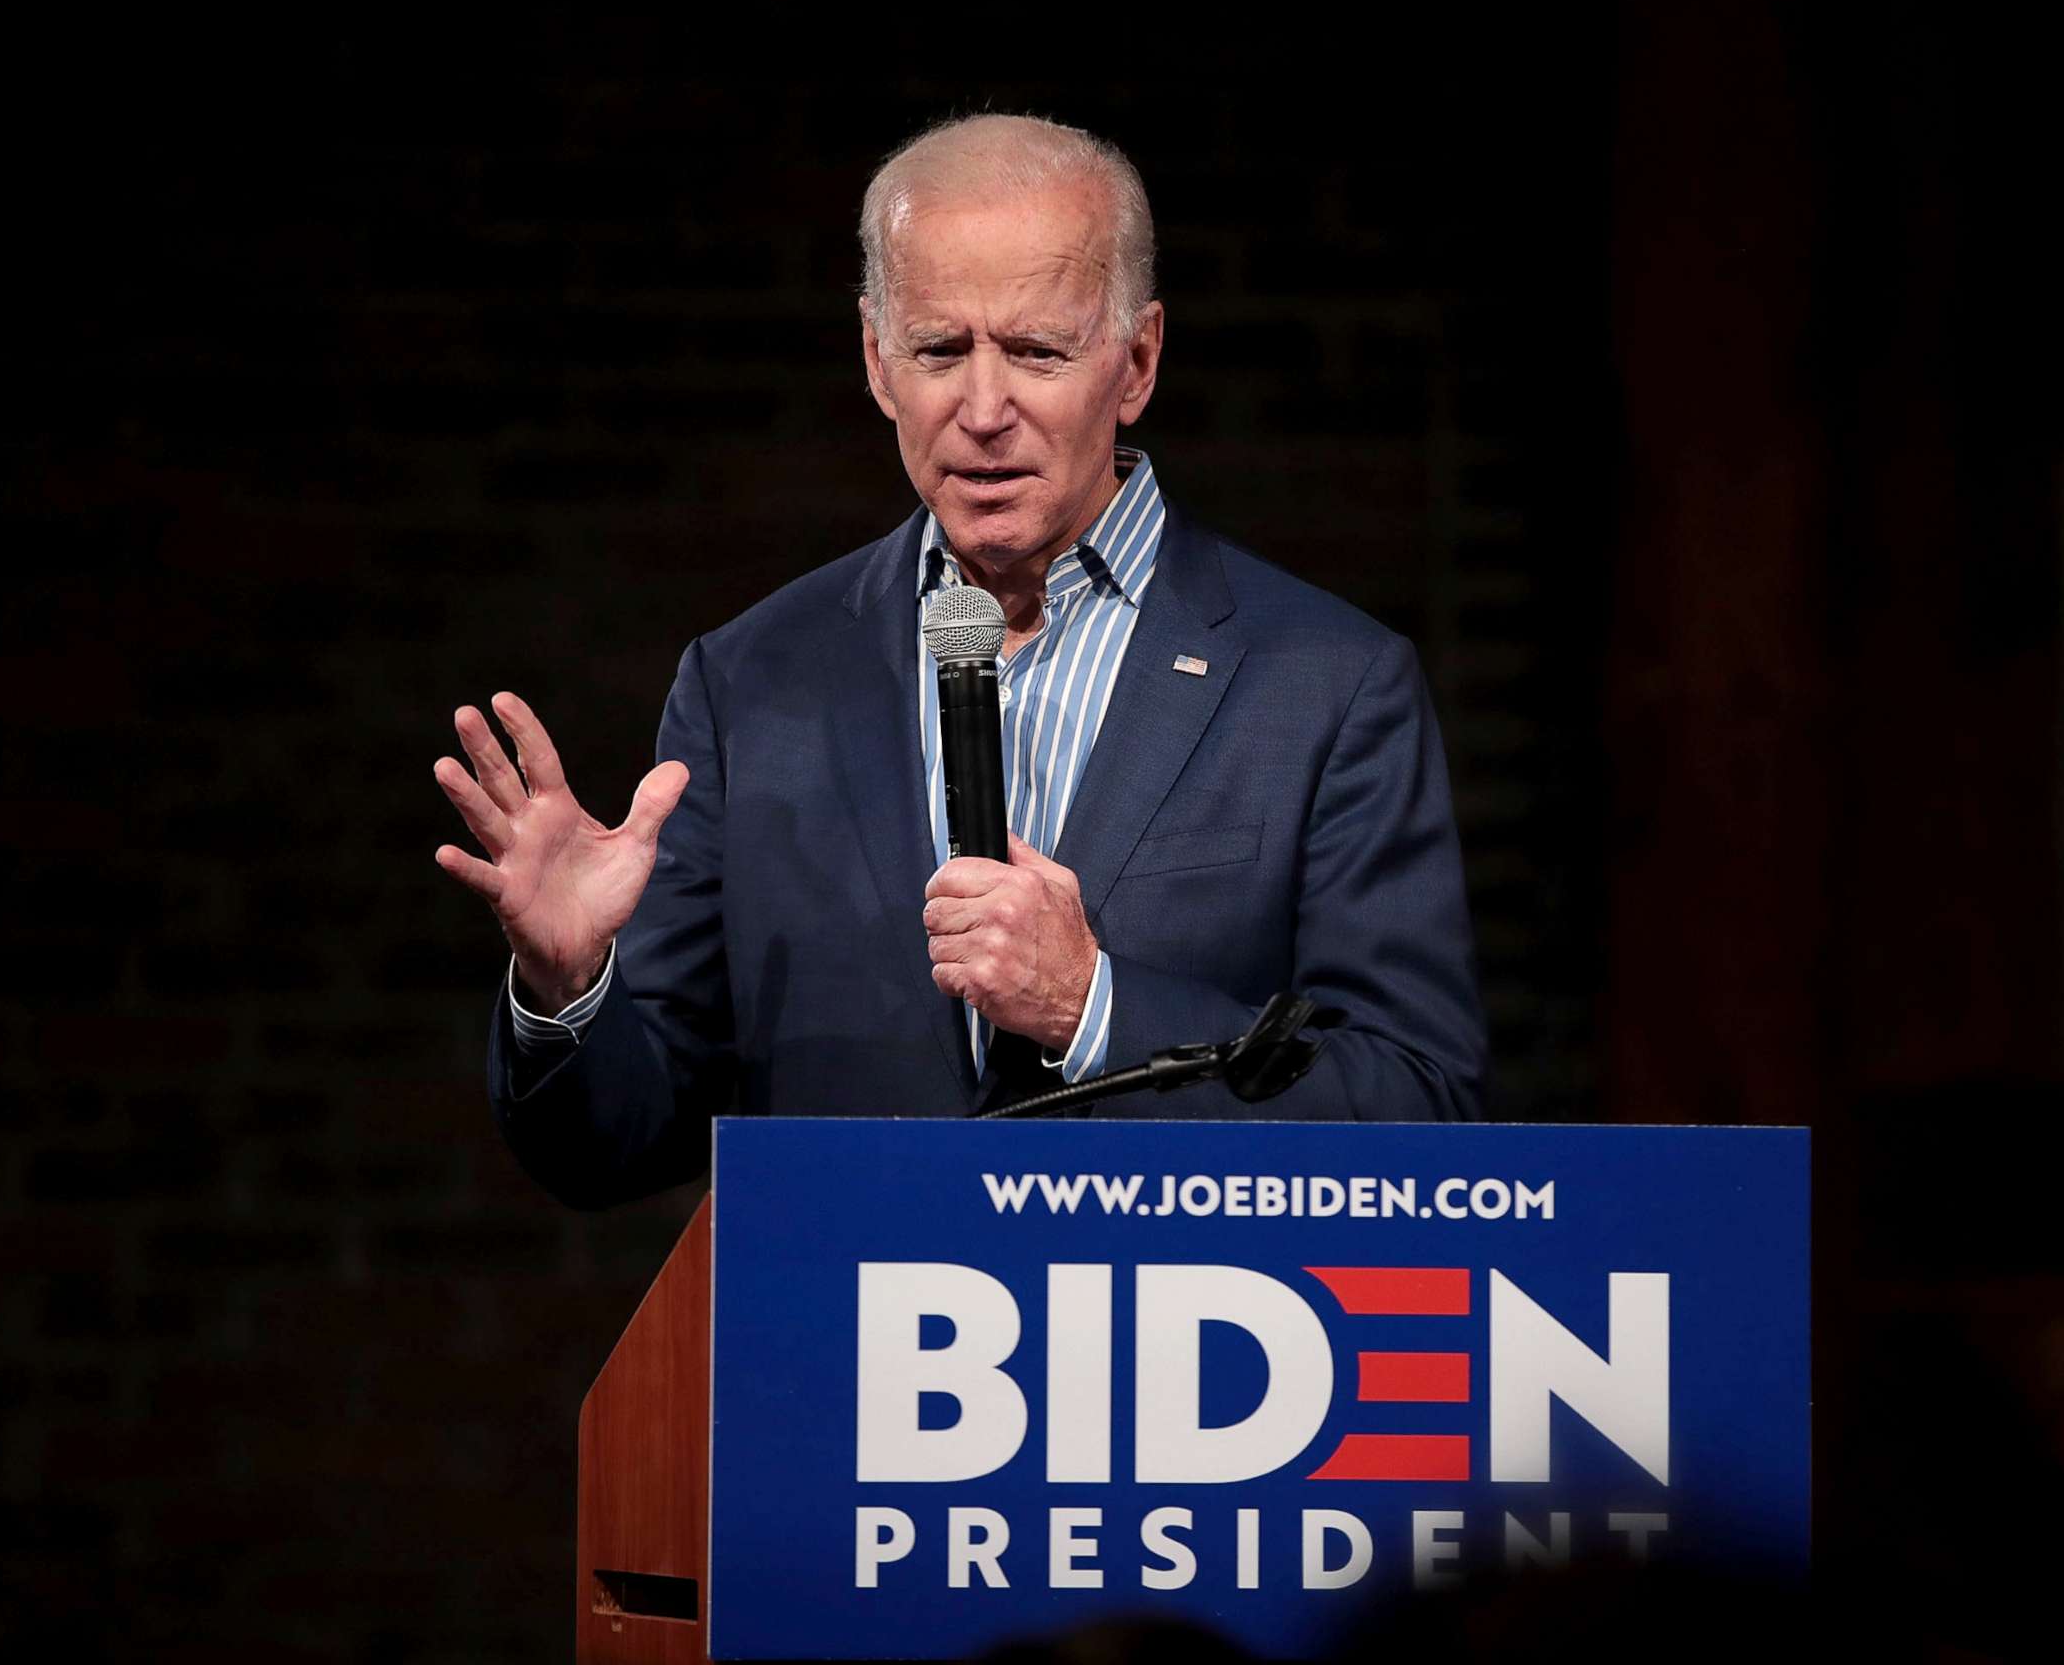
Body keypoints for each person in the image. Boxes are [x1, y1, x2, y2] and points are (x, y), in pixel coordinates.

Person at [433, 115, 1485, 1208]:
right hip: (850, 1364)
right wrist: (567, 988)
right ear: (878, 362)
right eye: (940, 351)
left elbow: (1422, 1111)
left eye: (1037, 350)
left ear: (1137, 362)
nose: (984, 412)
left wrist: (1094, 1006)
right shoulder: (754, 683)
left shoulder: (1326, 686)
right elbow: (618, 1145)